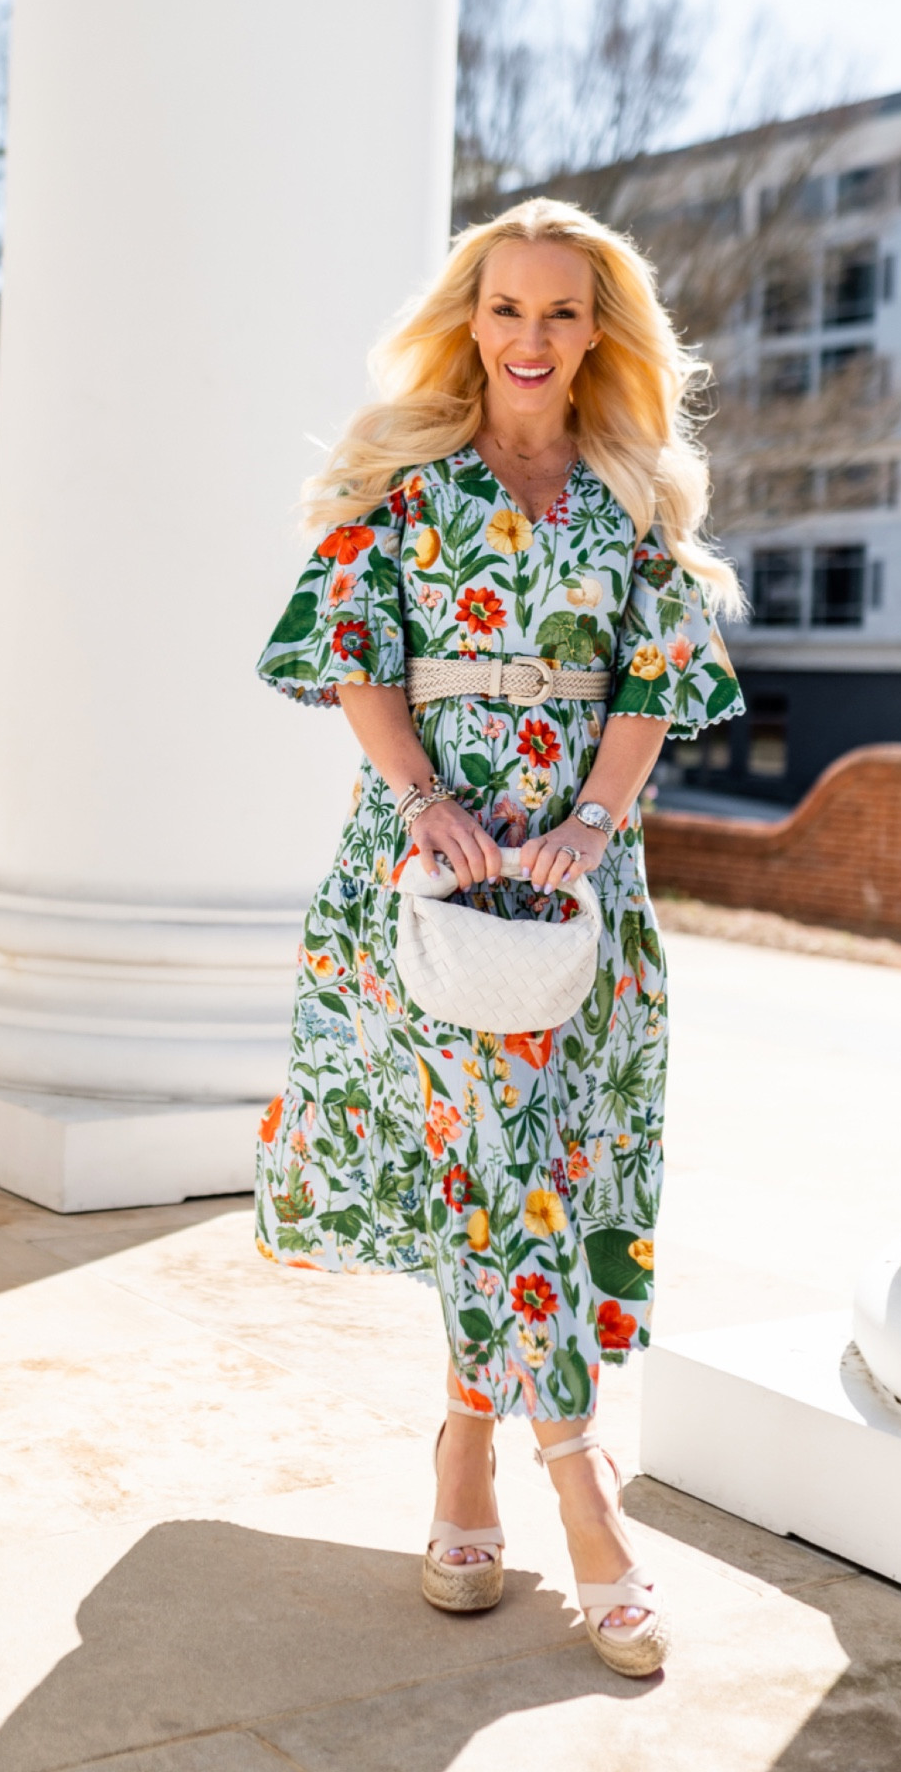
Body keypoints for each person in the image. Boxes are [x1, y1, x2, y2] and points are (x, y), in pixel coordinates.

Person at [254, 197, 743, 1676]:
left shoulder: (632, 493)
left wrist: (592, 820)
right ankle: (582, 1493)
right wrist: (423, 801)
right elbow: (353, 656)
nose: (532, 336)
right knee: (493, 1163)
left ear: (599, 334)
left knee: (546, 1168)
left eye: (562, 312)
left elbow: (653, 679)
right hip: (428, 872)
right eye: (507, 307)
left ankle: (464, 1444)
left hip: (580, 877)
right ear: (470, 320)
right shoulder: (400, 483)